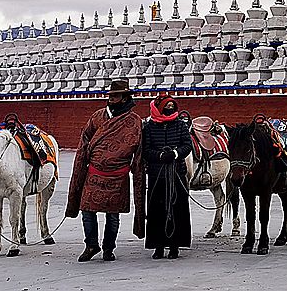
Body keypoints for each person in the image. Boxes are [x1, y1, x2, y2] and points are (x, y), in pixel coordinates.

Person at [65, 80, 145, 262]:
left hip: (118, 176)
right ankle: (91, 244)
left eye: (116, 96)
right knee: (87, 210)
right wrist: (81, 164)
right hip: (93, 173)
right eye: (110, 95)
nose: (112, 98)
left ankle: (109, 248)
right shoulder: (98, 117)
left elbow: (138, 152)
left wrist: (137, 171)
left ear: (125, 97)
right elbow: (85, 140)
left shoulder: (134, 122)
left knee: (113, 215)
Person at [142, 94, 192, 259]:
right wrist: (159, 156)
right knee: (157, 211)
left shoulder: (180, 125)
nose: (170, 109)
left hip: (177, 172)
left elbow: (187, 145)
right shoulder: (149, 127)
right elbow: (146, 149)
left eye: (172, 105)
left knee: (177, 209)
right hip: (157, 175)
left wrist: (176, 153)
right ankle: (158, 245)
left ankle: (175, 245)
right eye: (166, 106)